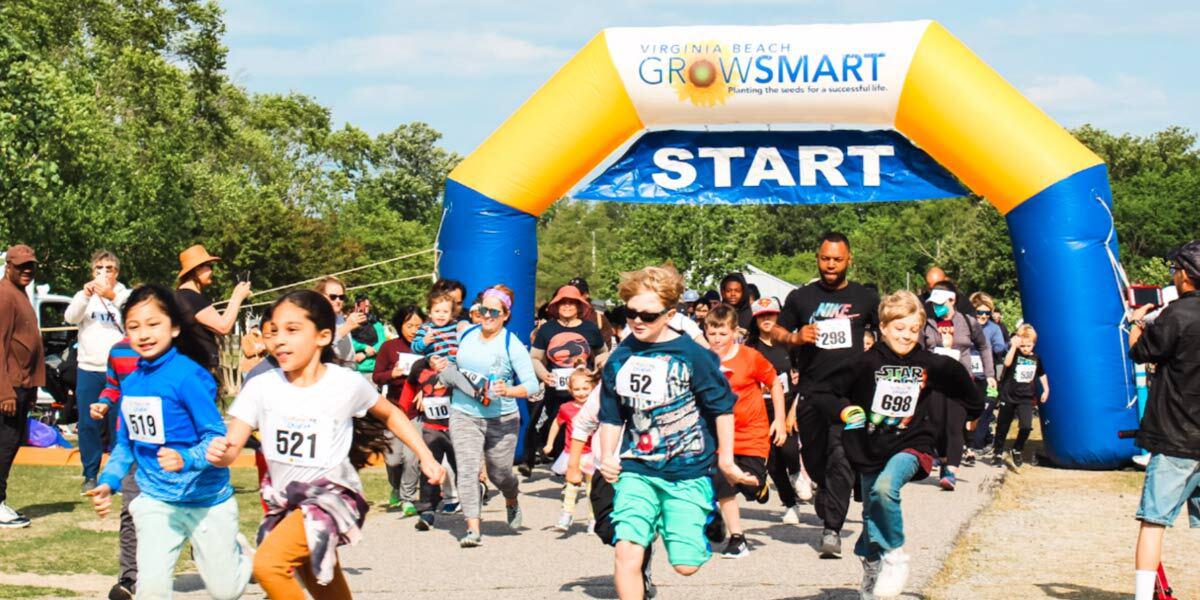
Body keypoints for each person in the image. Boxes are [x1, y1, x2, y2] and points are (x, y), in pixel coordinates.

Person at [206, 289, 445, 599]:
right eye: (274, 331)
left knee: (268, 565)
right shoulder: (261, 386)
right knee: (321, 581)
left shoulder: (344, 383)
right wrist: (221, 453)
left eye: (292, 330)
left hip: (330, 498)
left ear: (323, 337)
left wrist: (425, 456)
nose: (280, 340)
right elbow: (232, 445)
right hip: (286, 501)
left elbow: (390, 414)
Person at [812, 290, 982, 599]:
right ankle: (872, 568)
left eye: (913, 330)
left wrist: (971, 414)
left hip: (914, 443)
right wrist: (845, 411)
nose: (906, 336)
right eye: (899, 328)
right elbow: (822, 391)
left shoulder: (929, 363)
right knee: (871, 515)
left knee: (884, 489)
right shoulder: (864, 363)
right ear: (883, 327)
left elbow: (963, 384)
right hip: (869, 445)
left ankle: (895, 555)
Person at [86, 285, 252, 600]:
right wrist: (108, 481)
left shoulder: (188, 377)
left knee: (226, 591)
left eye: (153, 324)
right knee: (150, 591)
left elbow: (215, 436)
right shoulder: (132, 383)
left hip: (206, 499)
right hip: (156, 500)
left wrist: (185, 458)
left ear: (174, 328)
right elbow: (126, 444)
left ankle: (241, 555)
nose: (144, 334)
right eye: (134, 326)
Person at [598, 264, 752, 599]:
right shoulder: (620, 357)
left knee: (686, 564)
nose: (638, 321)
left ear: (670, 315)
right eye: (631, 313)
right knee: (626, 551)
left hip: (687, 471)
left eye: (648, 315)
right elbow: (611, 415)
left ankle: (698, 518)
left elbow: (722, 408)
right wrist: (607, 456)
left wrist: (726, 461)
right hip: (636, 469)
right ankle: (645, 528)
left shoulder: (694, 355)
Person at [770, 232, 880, 559]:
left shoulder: (865, 298)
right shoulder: (800, 297)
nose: (831, 265)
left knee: (842, 458)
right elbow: (776, 332)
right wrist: (795, 337)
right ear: (817, 258)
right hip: (812, 392)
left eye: (837, 259)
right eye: (825, 258)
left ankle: (832, 529)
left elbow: (886, 330)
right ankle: (827, 494)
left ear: (849, 260)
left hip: (850, 394)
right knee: (818, 462)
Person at [1127, 240, 1200, 600]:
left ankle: (1144, 596)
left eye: (1175, 269)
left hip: (1176, 437)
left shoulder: (1176, 314)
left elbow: (1139, 352)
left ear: (1185, 275)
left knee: (1153, 521)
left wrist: (1137, 322)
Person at [449, 284, 540, 548]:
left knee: (500, 474)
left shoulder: (512, 344)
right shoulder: (466, 334)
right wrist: (444, 368)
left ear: (506, 315)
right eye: (483, 310)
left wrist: (509, 390)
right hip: (464, 413)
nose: (487, 316)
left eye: (494, 312)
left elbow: (532, 385)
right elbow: (454, 365)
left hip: (502, 418)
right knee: (467, 470)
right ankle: (473, 529)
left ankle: (511, 498)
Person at [704, 303, 786, 559]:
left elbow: (774, 383)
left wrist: (780, 419)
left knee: (749, 483)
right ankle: (737, 538)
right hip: (718, 435)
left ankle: (759, 487)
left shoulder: (750, 357)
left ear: (734, 332)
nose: (717, 339)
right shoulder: (703, 360)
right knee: (721, 480)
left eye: (723, 333)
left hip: (751, 433)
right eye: (712, 333)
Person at [64, 250, 131, 494]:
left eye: (109, 268)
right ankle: (90, 474)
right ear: (92, 272)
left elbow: (133, 315)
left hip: (119, 370)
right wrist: (85, 295)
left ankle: (117, 475)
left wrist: (111, 296)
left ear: (117, 272)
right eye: (99, 268)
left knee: (118, 424)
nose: (104, 273)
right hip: (89, 368)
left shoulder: (125, 295)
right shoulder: (84, 296)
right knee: (88, 424)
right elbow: (70, 317)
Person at [525, 284, 607, 476]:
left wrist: (596, 370)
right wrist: (543, 374)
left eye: (572, 302)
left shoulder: (590, 328)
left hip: (584, 390)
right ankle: (565, 466)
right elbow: (534, 357)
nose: (567, 306)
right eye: (563, 303)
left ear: (579, 306)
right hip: (556, 390)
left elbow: (602, 353)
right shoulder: (547, 329)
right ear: (555, 306)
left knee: (586, 425)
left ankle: (583, 465)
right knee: (559, 426)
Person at [921, 285, 995, 490]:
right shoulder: (927, 324)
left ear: (952, 301)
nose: (936, 308)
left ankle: (951, 471)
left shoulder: (968, 322)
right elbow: (919, 349)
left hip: (961, 382)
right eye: (933, 304)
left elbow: (984, 346)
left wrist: (990, 374)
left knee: (955, 425)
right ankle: (944, 460)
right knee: (937, 425)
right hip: (935, 382)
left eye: (940, 304)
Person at [746, 297, 809, 524]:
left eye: (770, 315)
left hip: (787, 403)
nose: (766, 319)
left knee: (789, 449)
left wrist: (795, 407)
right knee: (773, 462)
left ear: (778, 316)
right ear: (755, 320)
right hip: (760, 408)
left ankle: (796, 473)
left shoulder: (788, 344)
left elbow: (803, 374)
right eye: (761, 316)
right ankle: (790, 504)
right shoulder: (750, 347)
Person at [89, 337, 140, 599]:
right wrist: (104, 402)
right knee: (131, 511)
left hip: (174, 455)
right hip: (132, 444)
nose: (144, 333)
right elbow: (113, 386)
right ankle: (129, 579)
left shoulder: (179, 354)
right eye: (134, 324)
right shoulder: (119, 351)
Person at [0, 244, 44, 529]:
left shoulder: (20, 293)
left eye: (31, 266)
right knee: (5, 444)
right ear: (9, 267)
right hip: (10, 386)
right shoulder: (4, 295)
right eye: (21, 266)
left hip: (22, 384)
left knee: (12, 442)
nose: (27, 270)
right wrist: (4, 392)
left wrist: (34, 386)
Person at [373, 304, 426, 512]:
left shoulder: (427, 348)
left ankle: (408, 498)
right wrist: (392, 374)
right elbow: (377, 376)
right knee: (393, 459)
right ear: (399, 325)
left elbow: (435, 374)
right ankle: (395, 486)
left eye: (418, 326)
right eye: (409, 325)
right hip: (393, 410)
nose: (414, 330)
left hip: (416, 411)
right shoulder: (388, 348)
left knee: (412, 456)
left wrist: (425, 390)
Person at [174, 244, 252, 376]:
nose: (212, 271)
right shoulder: (191, 297)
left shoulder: (181, 296)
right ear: (196, 269)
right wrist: (238, 296)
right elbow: (223, 327)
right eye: (209, 266)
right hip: (198, 369)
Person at [404, 354, 459, 531]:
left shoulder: (456, 367)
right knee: (429, 468)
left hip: (456, 427)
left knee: (461, 468)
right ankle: (427, 511)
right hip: (432, 428)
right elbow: (411, 381)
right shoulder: (421, 370)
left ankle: (473, 503)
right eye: (435, 357)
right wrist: (428, 362)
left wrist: (450, 366)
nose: (439, 360)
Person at [544, 368, 599, 532]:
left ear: (593, 388)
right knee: (571, 485)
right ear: (570, 390)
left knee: (592, 489)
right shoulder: (566, 408)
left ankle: (593, 519)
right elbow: (556, 424)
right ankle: (566, 514)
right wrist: (549, 443)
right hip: (572, 452)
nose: (581, 393)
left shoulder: (598, 407)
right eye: (577, 389)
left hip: (592, 453)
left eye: (585, 388)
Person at [990, 324, 1048, 468]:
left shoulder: (1036, 358)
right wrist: (1014, 347)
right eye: (1022, 346)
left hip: (1025, 397)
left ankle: (1017, 448)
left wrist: (1046, 390)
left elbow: (1041, 374)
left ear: (1034, 344)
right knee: (1003, 426)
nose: (1025, 349)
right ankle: (997, 453)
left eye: (1028, 346)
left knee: (1026, 426)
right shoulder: (1015, 354)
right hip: (1009, 395)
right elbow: (1007, 363)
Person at [967, 292, 1009, 459]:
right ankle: (967, 443)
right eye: (980, 312)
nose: (984, 316)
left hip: (988, 375)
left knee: (987, 407)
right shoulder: (965, 325)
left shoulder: (994, 328)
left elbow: (999, 348)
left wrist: (1008, 345)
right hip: (968, 374)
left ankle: (978, 443)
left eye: (987, 313)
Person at [315, 276, 363, 367]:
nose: (338, 301)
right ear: (320, 296)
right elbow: (319, 345)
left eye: (341, 297)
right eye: (333, 297)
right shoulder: (314, 319)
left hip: (349, 369)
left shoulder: (339, 317)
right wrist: (347, 327)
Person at [349, 295, 387, 385]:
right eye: (362, 306)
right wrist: (363, 347)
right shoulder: (348, 324)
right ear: (356, 306)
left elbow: (382, 343)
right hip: (353, 370)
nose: (365, 309)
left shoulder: (376, 324)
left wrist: (365, 355)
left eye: (367, 306)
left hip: (372, 370)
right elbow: (346, 340)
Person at [719, 272, 754, 336]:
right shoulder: (717, 313)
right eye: (728, 291)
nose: (733, 294)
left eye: (737, 291)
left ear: (744, 292)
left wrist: (747, 335)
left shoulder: (753, 316)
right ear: (723, 293)